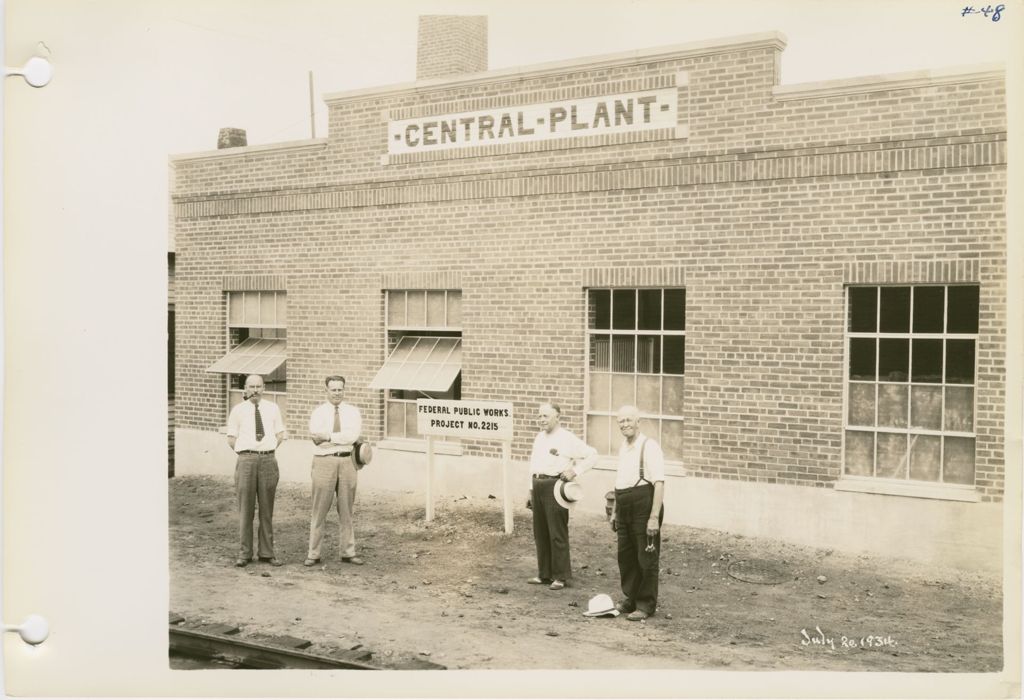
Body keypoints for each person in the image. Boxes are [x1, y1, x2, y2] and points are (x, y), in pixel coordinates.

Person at [527, 402, 597, 590]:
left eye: (546, 416)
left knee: (557, 532)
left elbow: (592, 455)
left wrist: (575, 471)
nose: (541, 420)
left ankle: (560, 576)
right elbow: (533, 464)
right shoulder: (539, 438)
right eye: (539, 416)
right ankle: (544, 574)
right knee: (540, 533)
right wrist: (530, 490)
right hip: (538, 485)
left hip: (555, 486)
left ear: (558, 417)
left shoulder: (567, 438)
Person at [610, 405, 665, 621]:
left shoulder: (649, 446)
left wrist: (653, 517)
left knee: (646, 556)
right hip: (624, 504)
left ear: (638, 422)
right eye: (621, 421)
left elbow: (659, 483)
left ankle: (645, 604)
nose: (624, 424)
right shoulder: (623, 447)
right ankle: (630, 598)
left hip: (644, 502)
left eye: (628, 420)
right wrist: (615, 511)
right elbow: (620, 481)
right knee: (626, 556)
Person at [226, 374, 286, 567]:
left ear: (264, 388)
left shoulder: (273, 408)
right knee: (246, 509)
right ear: (245, 388)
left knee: (267, 509)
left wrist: (267, 450)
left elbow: (280, 434)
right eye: (251, 386)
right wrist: (247, 453)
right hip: (246, 461)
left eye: (258, 386)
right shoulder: (238, 410)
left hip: (268, 459)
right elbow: (231, 438)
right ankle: (244, 553)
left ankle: (267, 553)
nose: (255, 390)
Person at [305, 375, 364, 566]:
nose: (337, 393)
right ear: (326, 391)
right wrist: (339, 438)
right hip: (324, 462)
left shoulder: (353, 412)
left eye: (340, 389)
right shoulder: (318, 412)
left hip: (347, 462)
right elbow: (316, 438)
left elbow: (353, 436)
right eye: (333, 389)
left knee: (346, 509)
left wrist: (328, 436)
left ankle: (348, 552)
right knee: (319, 509)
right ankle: (313, 553)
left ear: (344, 390)